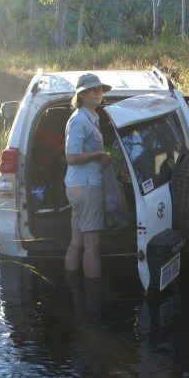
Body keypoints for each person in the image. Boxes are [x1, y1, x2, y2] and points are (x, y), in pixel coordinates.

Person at [64, 73, 113, 278]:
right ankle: (93, 301)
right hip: (86, 188)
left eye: (99, 88)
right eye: (93, 89)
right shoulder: (79, 121)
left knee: (77, 242)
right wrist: (100, 154)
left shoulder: (90, 118)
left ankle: (73, 287)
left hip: (78, 187)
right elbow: (72, 157)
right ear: (81, 95)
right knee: (92, 246)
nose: (98, 92)